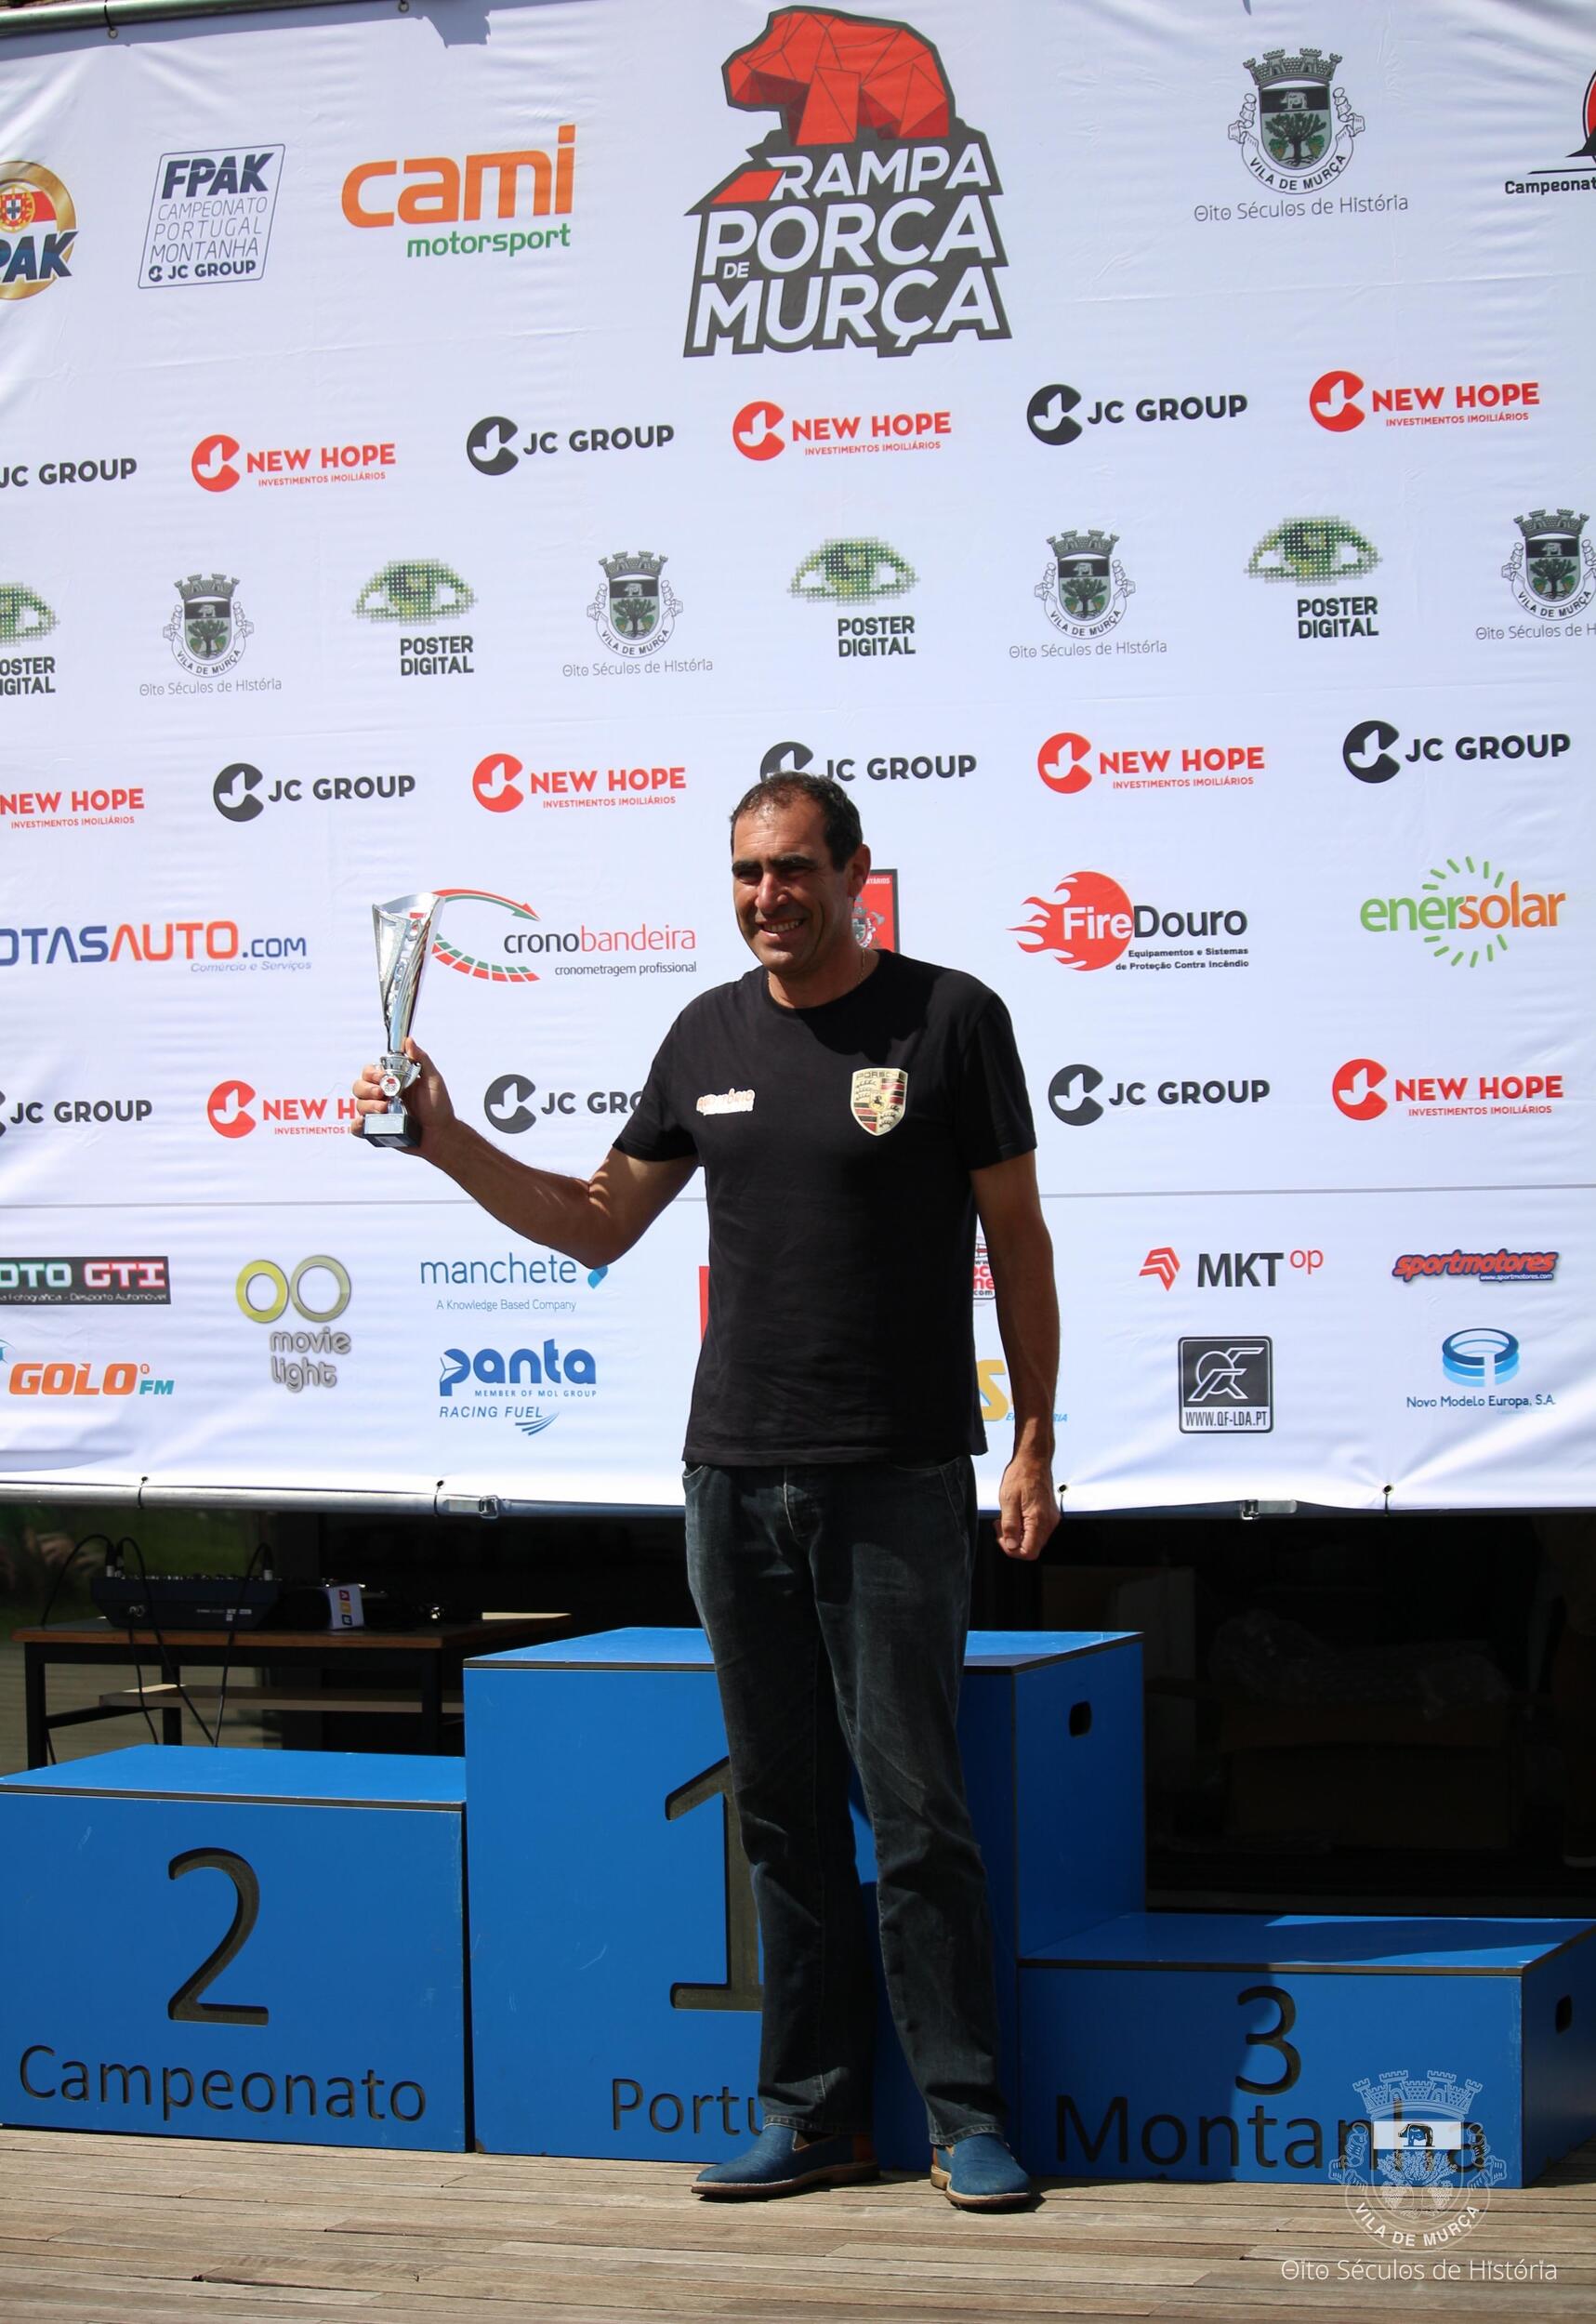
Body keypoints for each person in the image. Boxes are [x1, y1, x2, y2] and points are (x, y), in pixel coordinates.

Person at [351, 772, 1061, 2208]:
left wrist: (1034, 1435)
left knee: (915, 1814)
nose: (766, 898)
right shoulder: (702, 1034)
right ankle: (812, 2116)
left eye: (792, 869)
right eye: (745, 873)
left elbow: (1019, 1238)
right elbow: (596, 1222)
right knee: (781, 1816)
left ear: (854, 872)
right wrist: (443, 1137)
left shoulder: (950, 1018)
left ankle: (963, 2115)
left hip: (894, 1479)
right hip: (729, 1479)